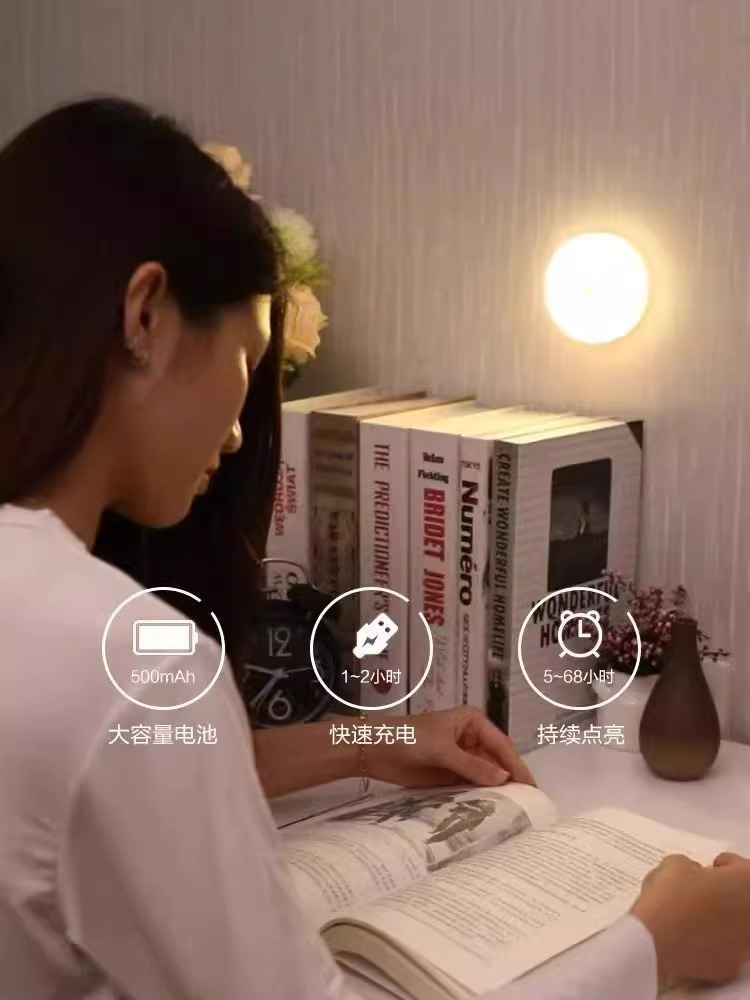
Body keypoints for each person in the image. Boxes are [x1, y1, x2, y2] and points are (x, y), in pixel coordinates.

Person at [0, 97, 748, 1000]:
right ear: (146, 315)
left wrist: (368, 737)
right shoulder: (125, 660)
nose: (237, 435)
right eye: (247, 361)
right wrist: (658, 945)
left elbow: (110, 777)